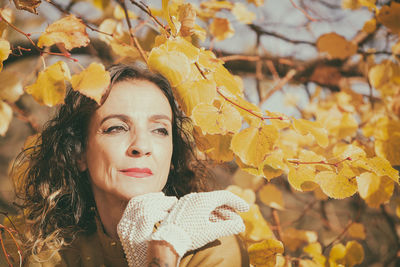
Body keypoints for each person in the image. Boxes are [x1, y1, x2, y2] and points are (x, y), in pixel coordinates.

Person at [1, 63, 250, 267]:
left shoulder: (215, 246)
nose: (141, 146)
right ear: (79, 153)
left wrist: (164, 250)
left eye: (160, 130)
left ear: (172, 156)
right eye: (116, 128)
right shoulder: (49, 253)